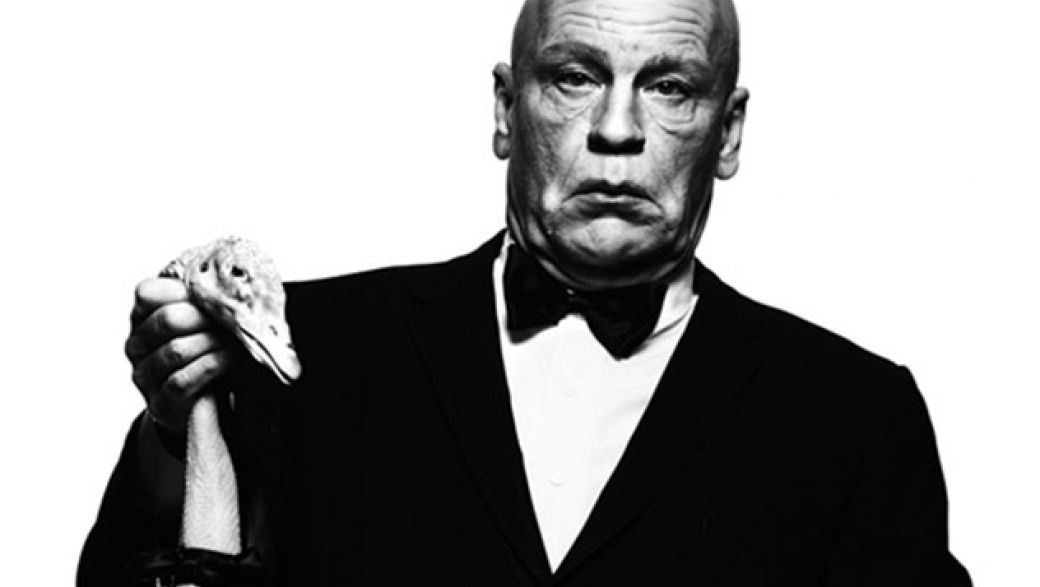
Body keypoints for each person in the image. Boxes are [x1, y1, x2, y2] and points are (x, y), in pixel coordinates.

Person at [79, 0, 972, 584]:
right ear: (507, 110)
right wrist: (176, 432)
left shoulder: (856, 416)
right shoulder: (305, 353)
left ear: (727, 132)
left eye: (669, 87)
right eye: (575, 77)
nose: (616, 129)